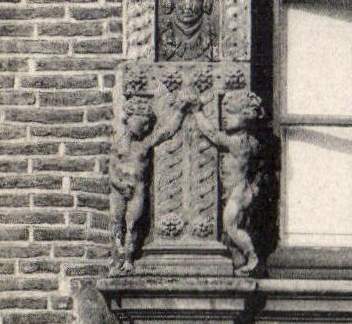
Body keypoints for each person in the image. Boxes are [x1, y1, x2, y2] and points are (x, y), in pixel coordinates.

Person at [110, 91, 191, 269]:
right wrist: (119, 184)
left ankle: (129, 259)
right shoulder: (117, 144)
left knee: (132, 224)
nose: (146, 126)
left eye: (148, 122)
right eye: (143, 121)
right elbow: (111, 170)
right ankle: (117, 257)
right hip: (120, 189)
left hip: (137, 189)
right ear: (129, 117)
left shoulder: (144, 145)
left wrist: (180, 111)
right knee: (116, 222)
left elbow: (166, 132)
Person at [192, 91, 265, 273]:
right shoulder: (251, 141)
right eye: (224, 114)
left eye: (231, 114)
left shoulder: (238, 142)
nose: (225, 118)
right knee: (232, 228)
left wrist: (197, 112)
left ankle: (252, 256)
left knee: (230, 227)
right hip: (239, 190)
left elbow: (212, 134)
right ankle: (240, 259)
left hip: (237, 193)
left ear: (246, 117)